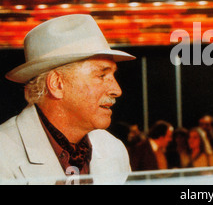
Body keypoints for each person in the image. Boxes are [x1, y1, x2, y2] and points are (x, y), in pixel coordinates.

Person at [0, 14, 136, 184]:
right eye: (101, 75)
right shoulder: (3, 154)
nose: (117, 90)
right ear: (57, 84)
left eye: (112, 75)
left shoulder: (113, 149)